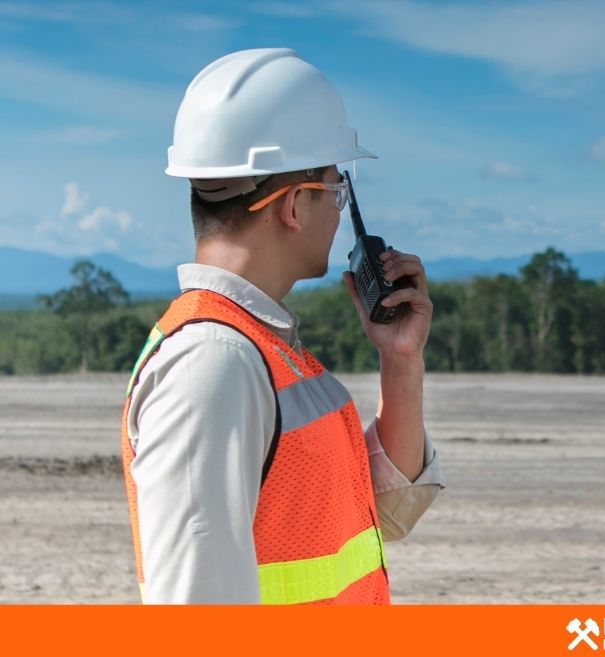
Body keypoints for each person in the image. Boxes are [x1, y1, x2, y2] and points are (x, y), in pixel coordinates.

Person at [119, 48, 445, 604]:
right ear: (294, 205)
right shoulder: (212, 364)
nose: (341, 212)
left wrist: (401, 361)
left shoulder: (262, 348)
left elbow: (385, 513)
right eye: (335, 191)